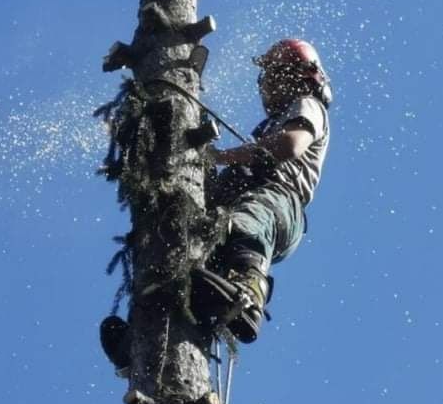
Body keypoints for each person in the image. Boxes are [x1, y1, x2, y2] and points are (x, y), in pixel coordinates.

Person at [100, 38, 331, 370]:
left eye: (272, 74)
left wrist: (222, 156)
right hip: (239, 206)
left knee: (245, 222)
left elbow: (291, 145)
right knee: (182, 250)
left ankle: (248, 296)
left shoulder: (306, 105)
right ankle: (146, 339)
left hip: (277, 201)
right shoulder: (271, 122)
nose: (265, 84)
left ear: (293, 74)